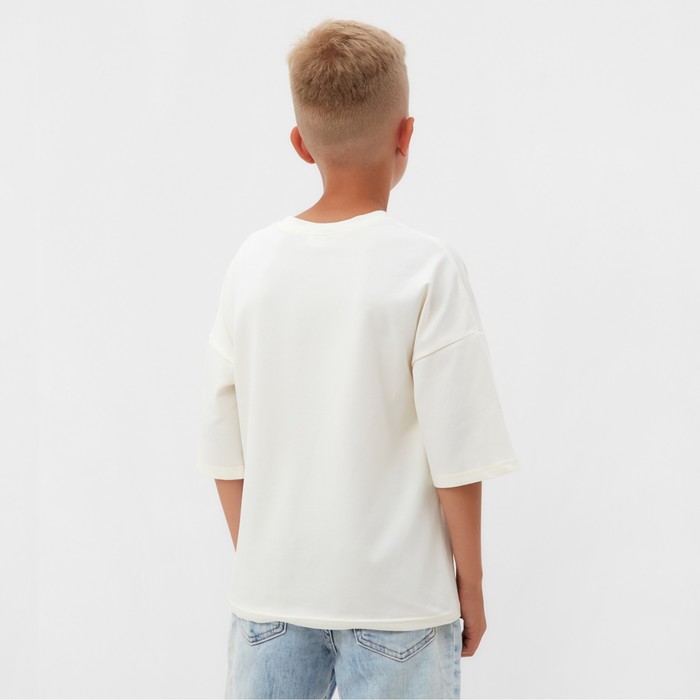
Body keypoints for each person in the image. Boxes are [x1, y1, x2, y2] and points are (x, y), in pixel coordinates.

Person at [197, 18, 520, 700]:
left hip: (270, 598)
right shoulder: (427, 267)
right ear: (406, 135)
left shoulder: (252, 263)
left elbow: (223, 444)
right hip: (400, 604)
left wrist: (266, 564)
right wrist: (471, 584)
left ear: (299, 143)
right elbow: (457, 451)